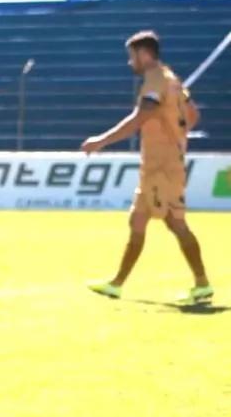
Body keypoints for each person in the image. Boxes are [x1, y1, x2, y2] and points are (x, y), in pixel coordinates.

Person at [83, 31, 212, 305]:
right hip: (161, 164)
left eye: (132, 57)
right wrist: (176, 136)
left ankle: (202, 283)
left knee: (175, 223)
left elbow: (142, 116)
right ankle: (116, 284)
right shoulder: (173, 80)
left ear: (144, 54)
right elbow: (193, 114)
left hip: (162, 167)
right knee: (138, 221)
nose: (130, 63)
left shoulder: (155, 79)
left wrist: (101, 141)